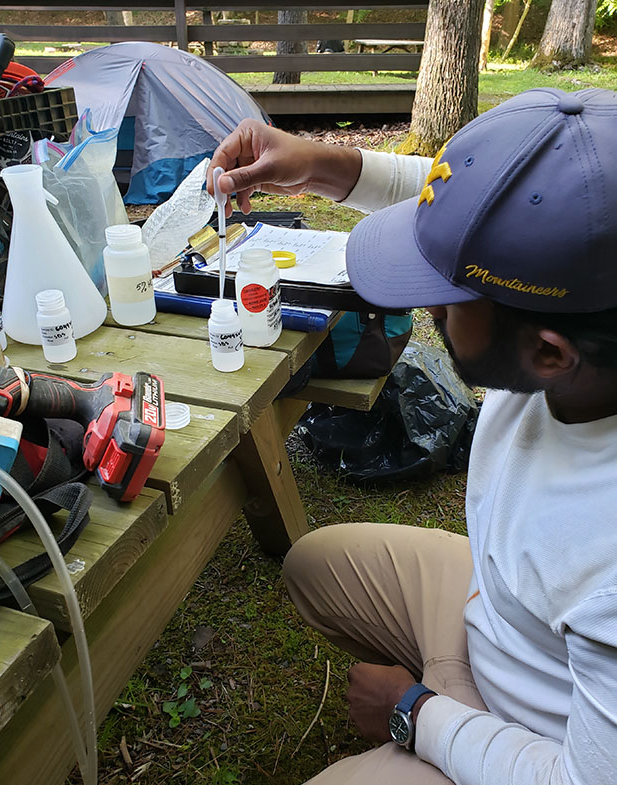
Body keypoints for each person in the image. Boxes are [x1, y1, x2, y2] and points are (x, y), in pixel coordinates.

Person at [208, 87, 617, 785]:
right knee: (314, 566)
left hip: (546, 737)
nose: (424, 304)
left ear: (548, 353)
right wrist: (321, 165)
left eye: (445, 299)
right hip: (506, 615)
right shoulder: (586, 332)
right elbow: (487, 212)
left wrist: (414, 711)